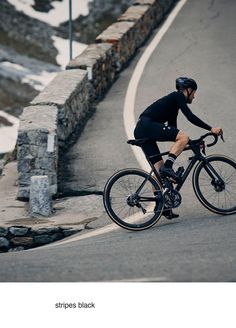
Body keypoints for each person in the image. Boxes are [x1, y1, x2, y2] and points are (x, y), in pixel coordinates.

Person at [134, 77, 223, 219]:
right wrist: (211, 128)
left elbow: (174, 132)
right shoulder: (177, 96)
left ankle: (162, 206)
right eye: (194, 92)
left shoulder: (172, 106)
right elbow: (190, 117)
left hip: (142, 129)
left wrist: (193, 143)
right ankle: (168, 168)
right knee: (171, 159)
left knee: (159, 172)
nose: (194, 96)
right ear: (188, 90)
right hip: (146, 126)